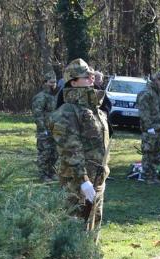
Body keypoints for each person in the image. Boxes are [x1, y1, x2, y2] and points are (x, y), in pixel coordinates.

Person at [49, 58, 110, 231]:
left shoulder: (95, 109)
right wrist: (83, 180)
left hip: (97, 179)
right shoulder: (67, 112)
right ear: (73, 82)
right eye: (87, 76)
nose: (92, 78)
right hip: (76, 182)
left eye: (92, 74)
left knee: (94, 225)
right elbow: (70, 149)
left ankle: (91, 257)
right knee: (74, 227)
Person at [137, 71, 160, 184]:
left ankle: (154, 176)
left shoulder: (157, 93)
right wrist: (149, 127)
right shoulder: (146, 93)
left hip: (158, 129)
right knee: (148, 153)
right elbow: (144, 112)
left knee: (157, 154)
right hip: (150, 130)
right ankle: (147, 176)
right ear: (156, 80)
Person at [31, 71, 58, 182]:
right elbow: (38, 115)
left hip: (55, 129)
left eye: (55, 82)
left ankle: (52, 172)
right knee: (44, 153)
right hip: (45, 130)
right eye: (51, 82)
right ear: (45, 82)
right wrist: (42, 129)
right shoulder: (40, 97)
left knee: (54, 153)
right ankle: (43, 175)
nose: (53, 84)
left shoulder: (55, 96)